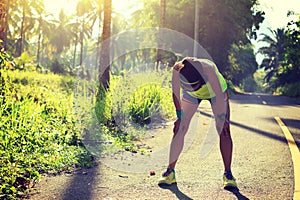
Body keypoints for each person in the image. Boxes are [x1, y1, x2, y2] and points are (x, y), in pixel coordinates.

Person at [158, 57, 237, 188]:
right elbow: (176, 94)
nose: (193, 89)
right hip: (191, 98)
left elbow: (218, 96)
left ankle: (228, 174)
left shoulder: (208, 70)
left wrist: (223, 118)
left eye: (194, 87)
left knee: (224, 129)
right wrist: (179, 116)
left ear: (202, 79)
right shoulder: (178, 70)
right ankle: (170, 172)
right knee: (179, 128)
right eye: (188, 87)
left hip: (216, 93)